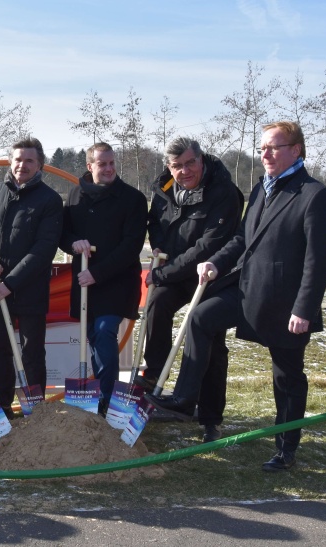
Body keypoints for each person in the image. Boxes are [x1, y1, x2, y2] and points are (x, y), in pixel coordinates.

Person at [146, 121, 326, 471]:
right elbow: (241, 239)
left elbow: (318, 262)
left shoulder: (315, 196)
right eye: (263, 148)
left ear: (295, 150)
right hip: (247, 290)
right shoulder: (263, 189)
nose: (265, 154)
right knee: (201, 318)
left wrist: (304, 310)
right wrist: (215, 264)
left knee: (287, 377)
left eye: (273, 148)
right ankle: (186, 398)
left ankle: (286, 449)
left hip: (285, 303)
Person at [139, 137, 243, 442]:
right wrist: (158, 244)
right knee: (157, 303)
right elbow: (156, 221)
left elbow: (208, 246)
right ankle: (155, 373)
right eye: (176, 166)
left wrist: (162, 272)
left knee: (209, 339)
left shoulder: (223, 192)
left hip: (213, 273)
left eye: (189, 163)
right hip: (175, 269)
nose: (184, 171)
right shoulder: (166, 187)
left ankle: (210, 417)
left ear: (201, 160)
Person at [0, 137, 63, 420]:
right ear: (10, 161)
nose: (22, 165)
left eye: (29, 160)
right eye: (18, 159)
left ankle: (34, 410)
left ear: (40, 165)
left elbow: (44, 248)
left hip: (29, 290)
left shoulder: (49, 200)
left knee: (31, 352)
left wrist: (11, 283)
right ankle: (2, 406)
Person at [58, 142, 147, 416]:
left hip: (117, 282)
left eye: (111, 163)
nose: (108, 169)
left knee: (106, 331)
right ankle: (95, 393)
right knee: (93, 337)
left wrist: (97, 273)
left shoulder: (132, 199)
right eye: (102, 164)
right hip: (85, 285)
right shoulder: (75, 196)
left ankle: (106, 398)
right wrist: (74, 243)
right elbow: (62, 235)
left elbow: (131, 246)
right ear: (89, 166)